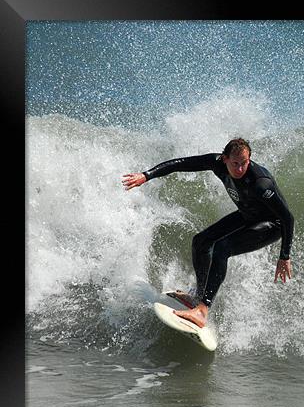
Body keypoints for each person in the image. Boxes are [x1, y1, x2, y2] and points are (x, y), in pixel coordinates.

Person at [122, 138, 294, 328]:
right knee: (201, 241)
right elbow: (182, 164)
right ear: (225, 159)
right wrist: (146, 175)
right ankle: (199, 296)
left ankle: (203, 309)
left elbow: (287, 218)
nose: (239, 169)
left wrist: (284, 256)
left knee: (222, 247)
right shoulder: (217, 163)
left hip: (272, 224)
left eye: (244, 163)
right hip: (248, 216)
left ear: (249, 158)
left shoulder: (261, 184)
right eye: (235, 163)